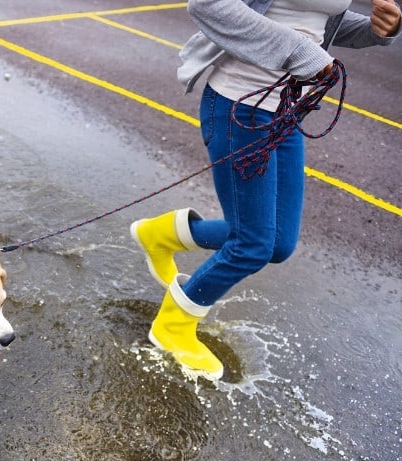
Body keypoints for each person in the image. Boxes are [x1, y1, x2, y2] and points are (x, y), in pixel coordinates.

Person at [131, 0, 400, 380]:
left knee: (277, 243)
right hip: (239, 106)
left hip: (287, 110)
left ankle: (161, 234)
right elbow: (208, 5)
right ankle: (172, 326)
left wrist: (376, 30)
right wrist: (298, 51)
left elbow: (316, 21)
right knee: (252, 244)